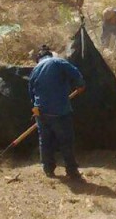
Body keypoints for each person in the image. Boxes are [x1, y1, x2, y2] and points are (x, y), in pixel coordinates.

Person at [29, 44, 86, 180]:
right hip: (59, 111)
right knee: (66, 140)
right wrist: (81, 85)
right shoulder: (58, 61)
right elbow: (75, 72)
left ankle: (48, 169)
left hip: (40, 111)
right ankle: (72, 171)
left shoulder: (35, 70)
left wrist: (36, 108)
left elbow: (31, 93)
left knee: (45, 140)